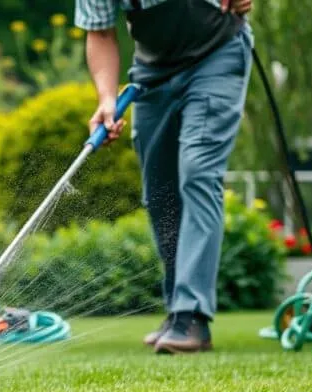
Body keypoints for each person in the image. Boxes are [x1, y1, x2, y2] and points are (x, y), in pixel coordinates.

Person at [76, 0, 254, 354]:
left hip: (216, 56)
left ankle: (192, 315)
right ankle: (178, 310)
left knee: (198, 173)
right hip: (153, 71)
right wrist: (107, 98)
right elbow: (100, 33)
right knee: (158, 192)